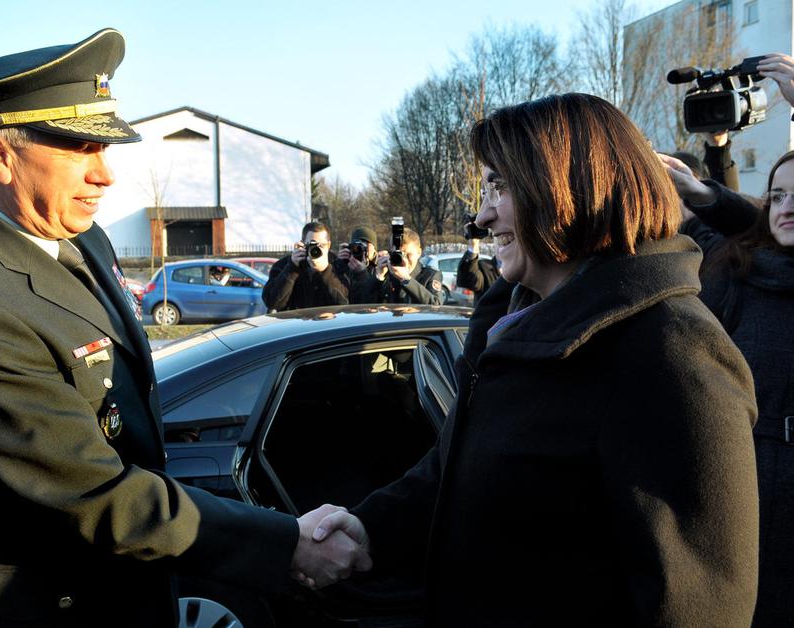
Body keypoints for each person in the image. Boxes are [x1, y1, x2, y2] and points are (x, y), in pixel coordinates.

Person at [0, 29, 368, 628]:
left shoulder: (81, 237)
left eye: (104, 148)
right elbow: (93, 490)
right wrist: (285, 544)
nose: (105, 174)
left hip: (132, 583)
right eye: (79, 148)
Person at [307, 93, 760, 625]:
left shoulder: (672, 353)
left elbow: (696, 607)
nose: (482, 216)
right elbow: (459, 467)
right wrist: (372, 527)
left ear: (570, 188)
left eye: (500, 186)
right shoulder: (516, 318)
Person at [660, 54, 794, 620]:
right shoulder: (740, 274)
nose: (786, 206)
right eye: (778, 195)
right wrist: (698, 185)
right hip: (744, 494)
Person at [262, 222, 348, 311]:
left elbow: (344, 303)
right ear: (302, 244)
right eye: (312, 245)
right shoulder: (285, 264)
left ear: (329, 245)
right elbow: (272, 303)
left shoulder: (337, 265)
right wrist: (292, 268)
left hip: (328, 319)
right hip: (295, 319)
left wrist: (326, 271)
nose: (317, 249)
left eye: (322, 245)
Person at [364, 228, 442, 305]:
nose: (404, 259)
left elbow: (436, 305)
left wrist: (407, 280)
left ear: (419, 253)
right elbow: (363, 303)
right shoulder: (385, 273)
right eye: (399, 255)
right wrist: (378, 278)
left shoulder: (429, 275)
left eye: (408, 255)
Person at [333, 226, 381, 304]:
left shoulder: (380, 269)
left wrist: (362, 274)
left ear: (375, 249)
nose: (361, 249)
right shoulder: (344, 265)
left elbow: (374, 298)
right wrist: (339, 265)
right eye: (357, 246)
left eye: (367, 245)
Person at [455, 226, 499, 307]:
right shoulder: (484, 267)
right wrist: (473, 247)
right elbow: (467, 279)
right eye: (498, 236)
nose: (503, 240)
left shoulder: (522, 269)